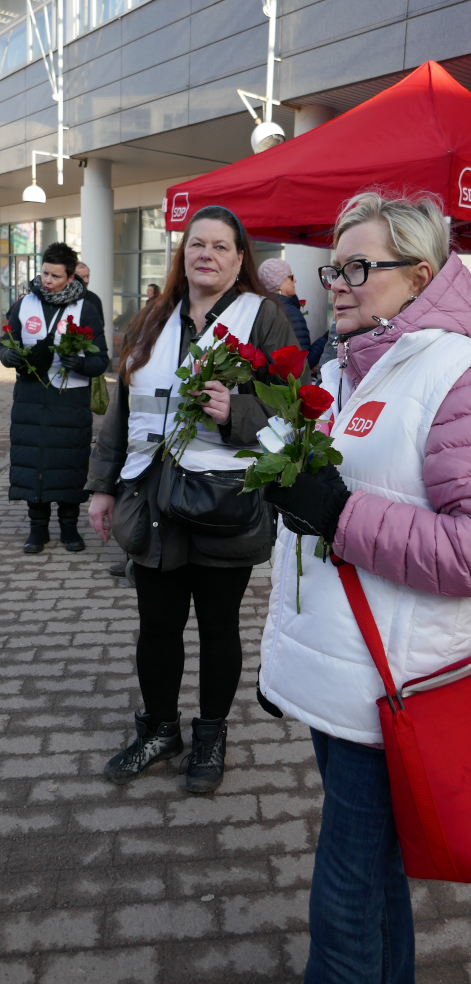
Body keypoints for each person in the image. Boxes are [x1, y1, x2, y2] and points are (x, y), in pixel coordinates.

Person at [257, 192, 471, 984]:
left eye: (357, 268)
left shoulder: (460, 376)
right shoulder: (355, 361)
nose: (336, 284)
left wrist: (341, 514)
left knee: (346, 900)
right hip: (346, 680)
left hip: (396, 692)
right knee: (369, 883)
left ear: (419, 274)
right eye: (331, 267)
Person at [87, 205, 300, 793]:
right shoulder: (156, 316)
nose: (206, 254)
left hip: (223, 501)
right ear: (182, 254)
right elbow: (124, 410)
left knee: (217, 626)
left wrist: (241, 413)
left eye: (220, 246)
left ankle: (209, 735)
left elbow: (295, 408)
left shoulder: (264, 318)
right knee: (156, 624)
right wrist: (103, 487)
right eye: (196, 244)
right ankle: (159, 731)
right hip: (152, 498)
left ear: (239, 259)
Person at [0, 242, 108, 554]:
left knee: (69, 463)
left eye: (55, 276)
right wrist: (8, 355)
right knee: (33, 462)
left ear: (71, 276)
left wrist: (83, 364)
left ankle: (69, 528)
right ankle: (37, 530)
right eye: (44, 273)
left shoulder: (86, 307)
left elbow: (101, 358)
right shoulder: (24, 303)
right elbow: (6, 340)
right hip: (30, 401)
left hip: (69, 403)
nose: (47, 280)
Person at [258, 258, 311, 352]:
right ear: (279, 283)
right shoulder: (289, 311)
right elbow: (303, 360)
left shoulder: (260, 307)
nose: (294, 280)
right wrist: (325, 339)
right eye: (291, 277)